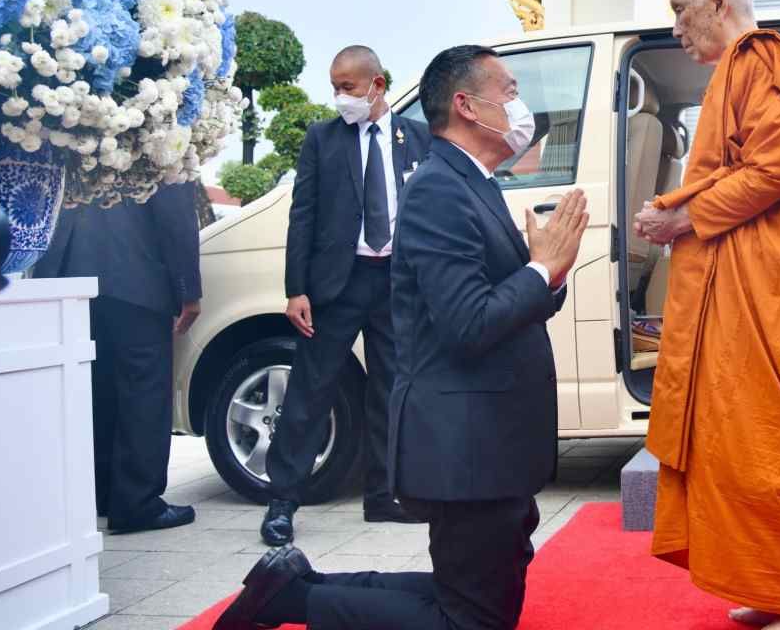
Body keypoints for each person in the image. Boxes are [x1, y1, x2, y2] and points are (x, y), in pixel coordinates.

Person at [215, 44, 589, 630]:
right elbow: (469, 323)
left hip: (491, 440)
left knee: (476, 601)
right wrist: (542, 270)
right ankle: (293, 601)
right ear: (467, 105)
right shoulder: (441, 188)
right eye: (510, 92)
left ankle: (297, 584)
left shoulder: (476, 180)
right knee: (472, 620)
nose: (520, 107)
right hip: (467, 445)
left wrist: (550, 271)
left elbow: (508, 292)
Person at [632, 0, 780, 630]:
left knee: (766, 452)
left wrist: (682, 217)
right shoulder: (739, 70)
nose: (676, 29)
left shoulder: (762, 59)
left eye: (680, 9)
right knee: (734, 444)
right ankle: (771, 587)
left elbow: (775, 168)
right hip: (739, 289)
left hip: (768, 295)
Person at [262, 45, 432, 546]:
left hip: (397, 282)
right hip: (339, 283)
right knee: (310, 391)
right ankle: (282, 501)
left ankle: (383, 495)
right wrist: (296, 289)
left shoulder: (416, 138)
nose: (339, 97)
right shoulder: (322, 140)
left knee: (392, 389)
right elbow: (302, 215)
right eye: (334, 86)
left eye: (348, 87)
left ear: (377, 85)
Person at [33, 181, 201, 533]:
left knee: (93, 389)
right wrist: (188, 289)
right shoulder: (167, 129)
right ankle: (137, 504)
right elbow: (174, 213)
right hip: (136, 274)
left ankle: (100, 493)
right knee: (144, 392)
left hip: (71, 271)